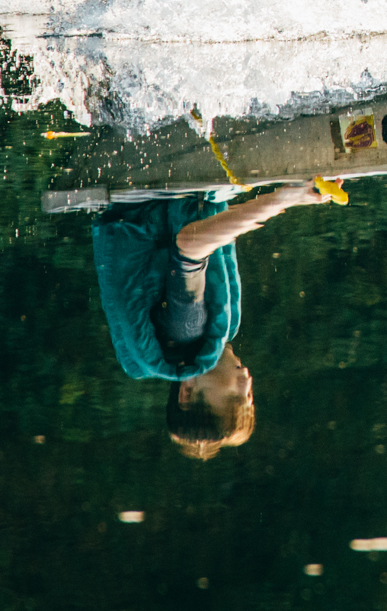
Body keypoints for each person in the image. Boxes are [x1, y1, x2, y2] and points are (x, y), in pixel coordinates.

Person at [89, 180, 335, 459]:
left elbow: (190, 244)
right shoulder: (213, 335)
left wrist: (282, 200)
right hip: (171, 194)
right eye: (249, 398)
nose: (247, 384)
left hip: (154, 189)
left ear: (187, 391)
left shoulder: (186, 331)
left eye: (233, 397)